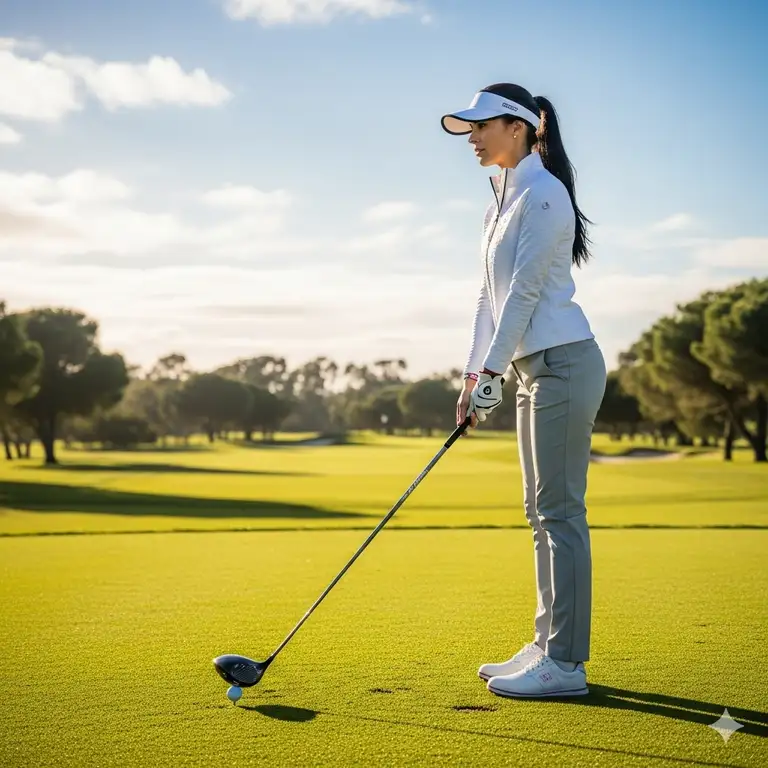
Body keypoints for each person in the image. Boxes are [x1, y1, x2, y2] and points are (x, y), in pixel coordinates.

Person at [441, 83, 607, 698]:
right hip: (533, 370)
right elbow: (488, 299)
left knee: (559, 513)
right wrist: (474, 375)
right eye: (469, 129)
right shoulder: (500, 204)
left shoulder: (544, 195)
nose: (473, 138)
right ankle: (546, 644)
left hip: (564, 363)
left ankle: (565, 663)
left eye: (481, 126)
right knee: (539, 513)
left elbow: (525, 296)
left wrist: (491, 376)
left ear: (520, 127)